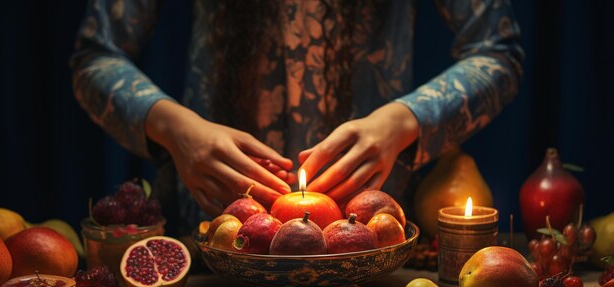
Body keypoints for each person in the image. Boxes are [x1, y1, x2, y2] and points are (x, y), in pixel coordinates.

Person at [71, 0, 523, 237]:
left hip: (368, 243)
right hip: (218, 235)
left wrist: (405, 120)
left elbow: (498, 53)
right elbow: (95, 58)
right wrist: (173, 127)